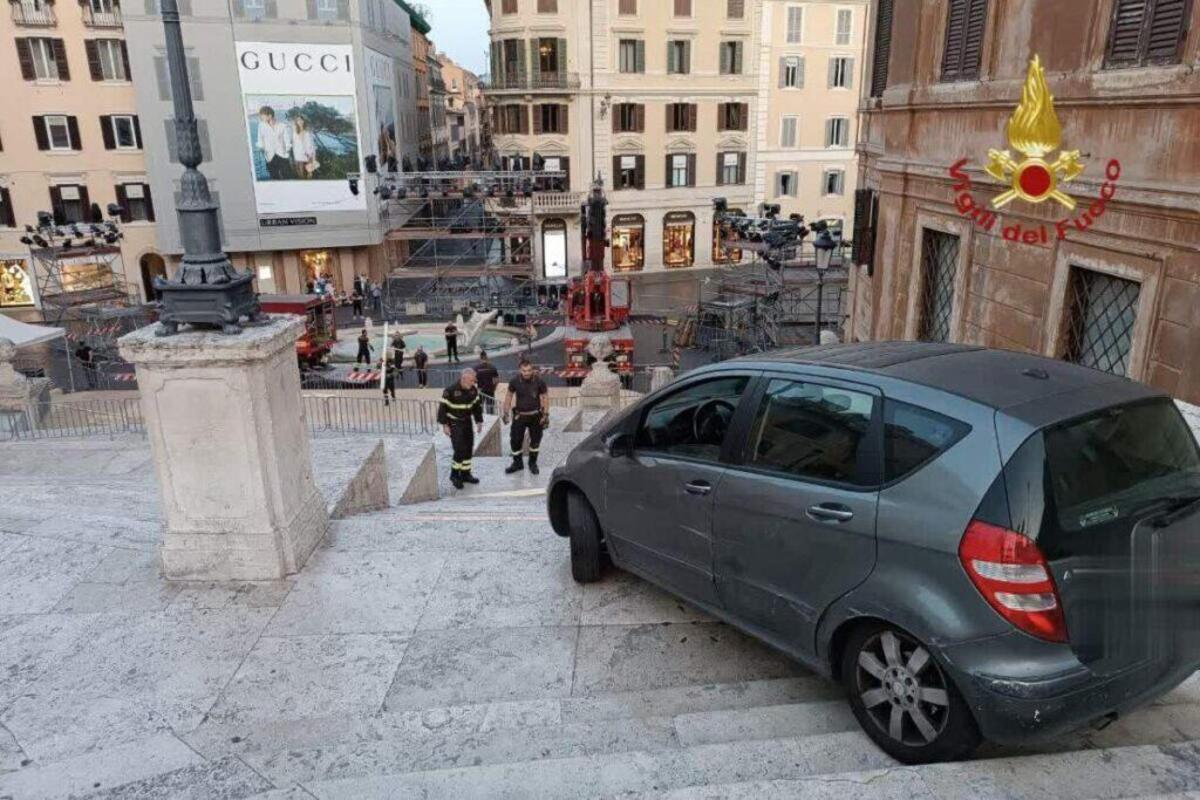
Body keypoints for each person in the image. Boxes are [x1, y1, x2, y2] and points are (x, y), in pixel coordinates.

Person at [437, 368, 484, 490]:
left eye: (474, 381)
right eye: (472, 381)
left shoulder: (473, 390)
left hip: (467, 422)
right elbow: (442, 409)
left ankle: (465, 474)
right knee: (459, 449)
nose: (474, 383)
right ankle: (454, 475)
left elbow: (476, 407)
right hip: (454, 423)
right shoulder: (450, 391)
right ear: (464, 379)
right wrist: (445, 425)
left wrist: (479, 421)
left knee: (468, 449)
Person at [502, 359, 550, 475]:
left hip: (536, 416)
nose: (527, 373)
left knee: (535, 442)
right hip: (520, 416)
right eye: (524, 371)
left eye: (529, 370)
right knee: (515, 441)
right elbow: (509, 396)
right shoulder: (514, 381)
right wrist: (506, 412)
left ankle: (532, 463)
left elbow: (545, 398)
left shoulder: (539, 381)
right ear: (520, 370)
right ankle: (517, 464)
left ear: (532, 369)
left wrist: (546, 415)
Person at [255, 106, 293, 181]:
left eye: (263, 117)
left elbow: (287, 140)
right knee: (274, 178)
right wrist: (262, 148)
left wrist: (287, 153)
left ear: (270, 115)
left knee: (287, 177)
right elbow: (260, 139)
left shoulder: (282, 126)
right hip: (270, 156)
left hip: (282, 155)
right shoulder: (261, 126)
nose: (261, 119)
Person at [291, 114, 318, 179]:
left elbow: (312, 145)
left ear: (304, 121)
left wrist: (313, 158)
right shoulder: (295, 133)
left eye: (301, 120)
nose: (299, 121)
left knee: (309, 176)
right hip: (299, 157)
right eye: (298, 120)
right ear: (296, 122)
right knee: (301, 176)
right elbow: (294, 146)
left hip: (309, 157)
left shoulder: (308, 132)